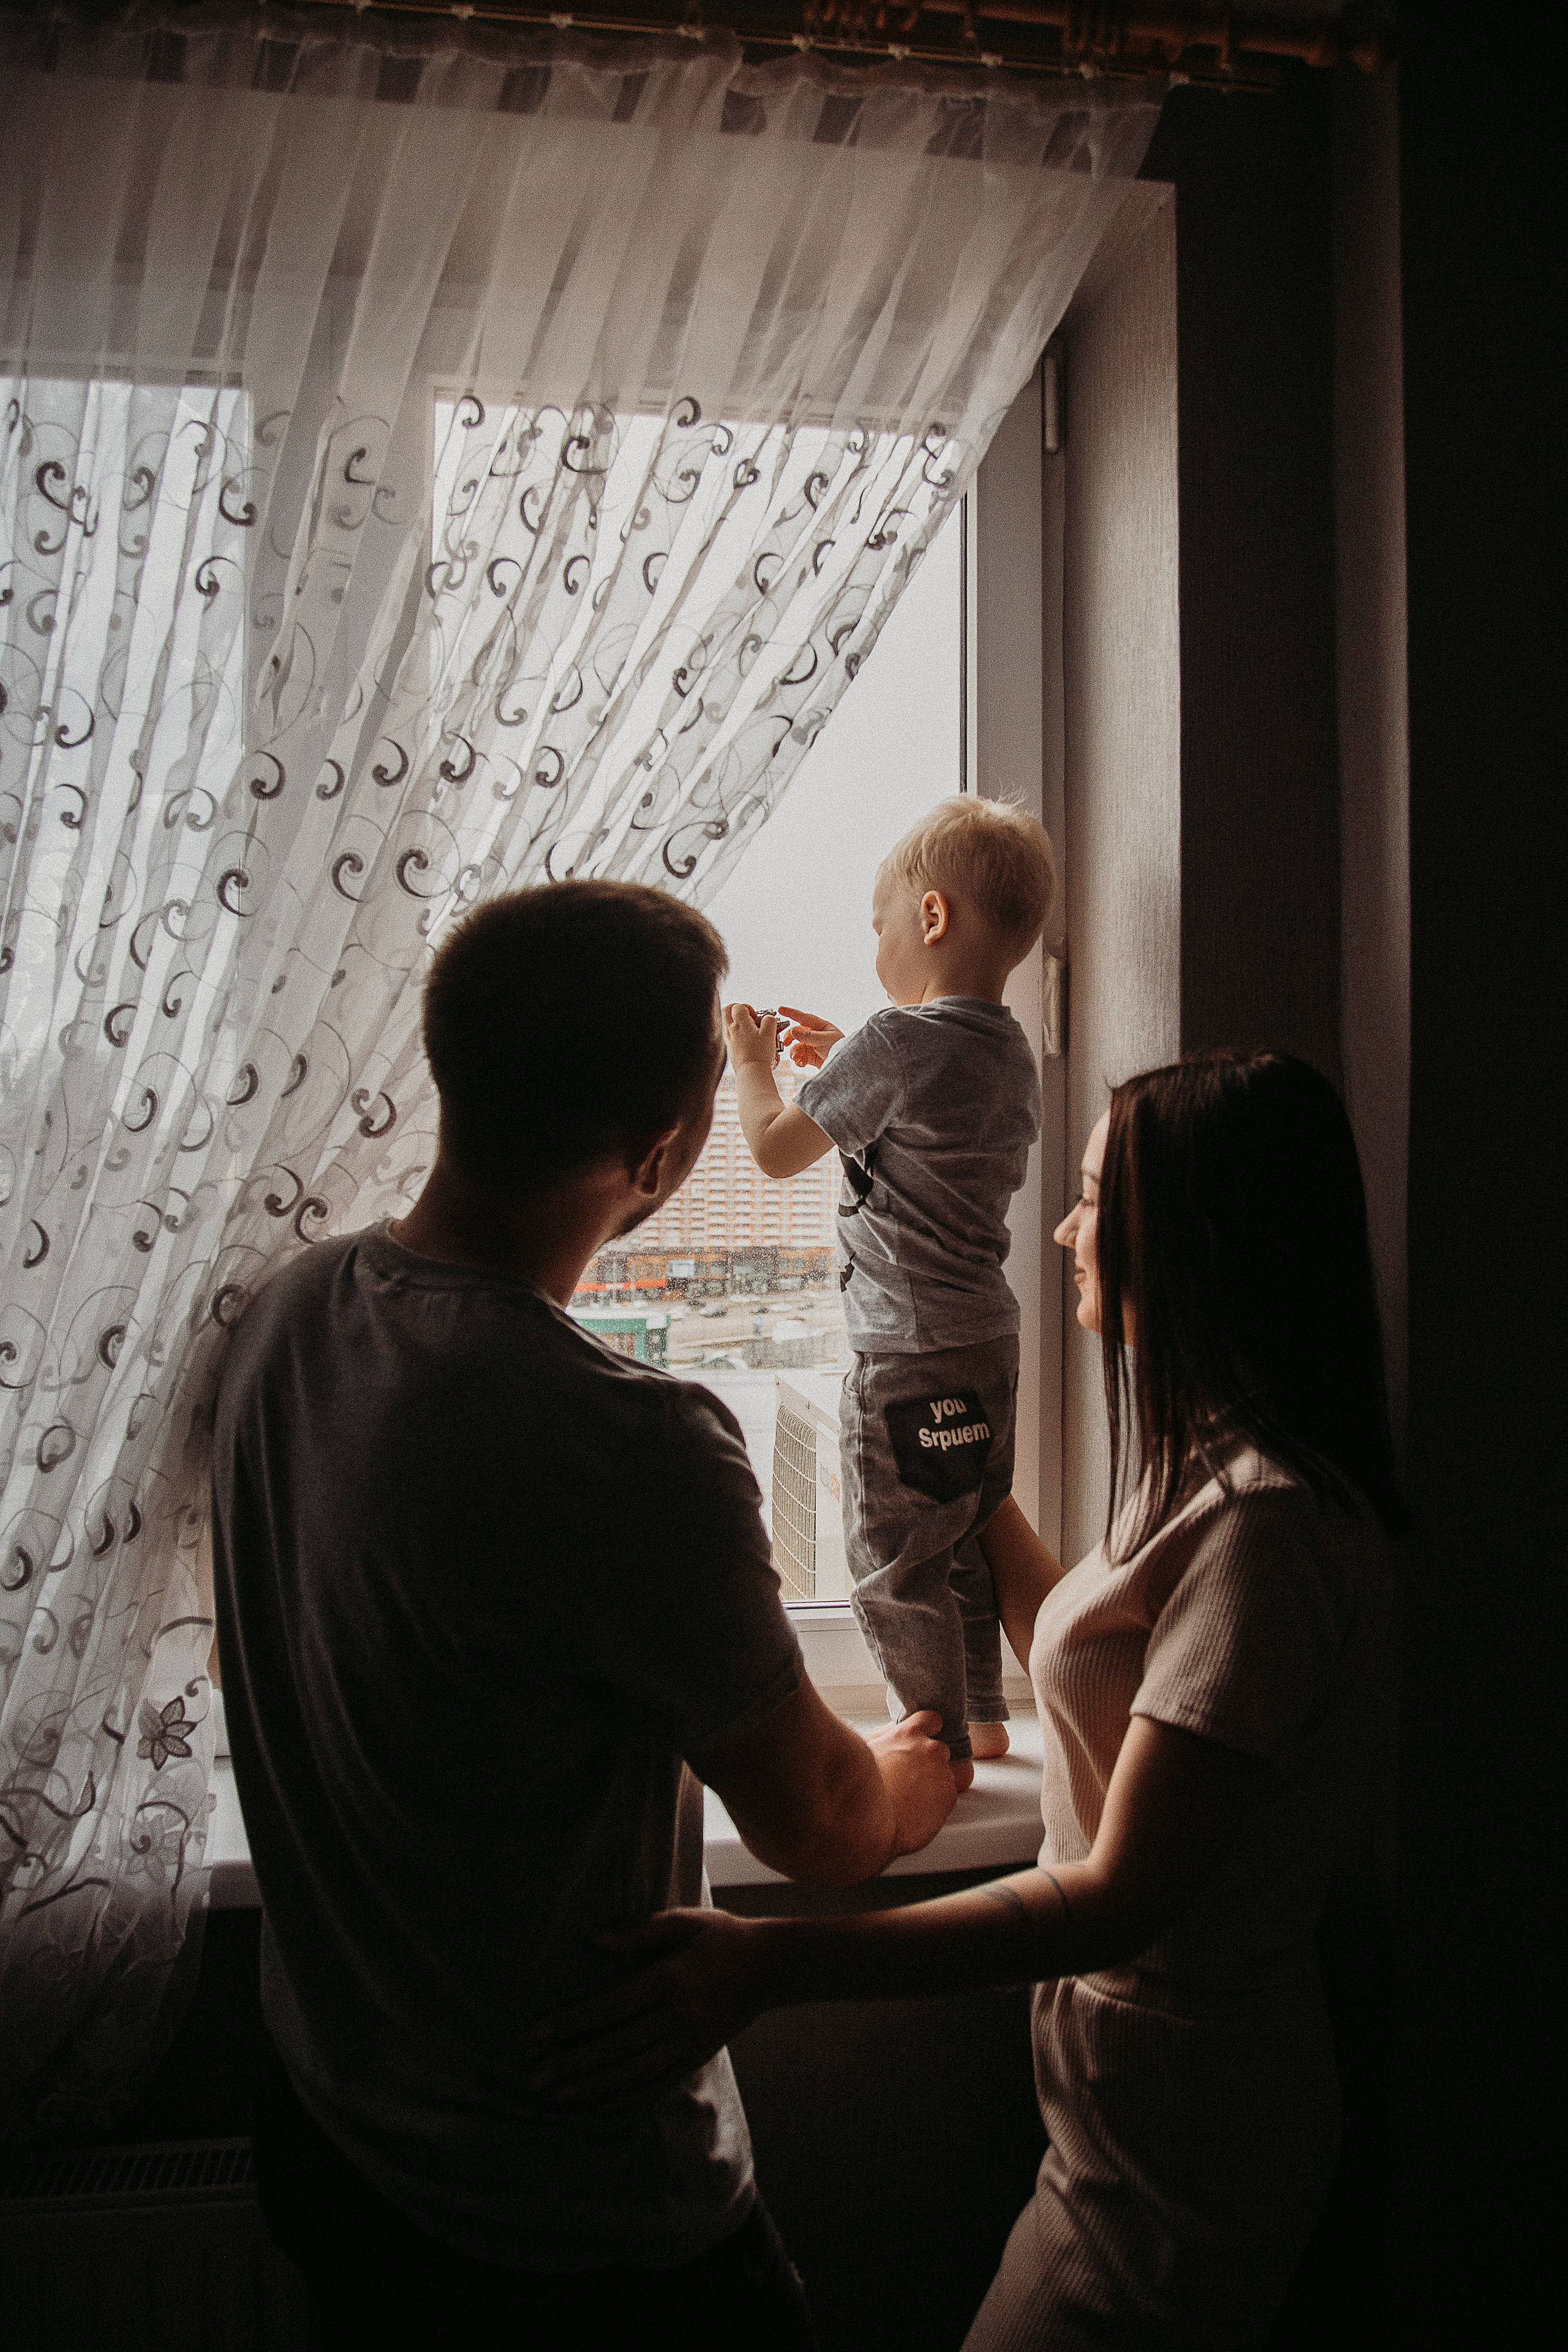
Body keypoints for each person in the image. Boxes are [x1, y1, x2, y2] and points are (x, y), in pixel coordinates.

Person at [529, 1050, 1404, 2351]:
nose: (1061, 1224)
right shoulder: (1205, 1473)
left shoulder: (1263, 1529)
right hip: (1125, 2114)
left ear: (1193, 1236)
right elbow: (1086, 1639)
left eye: (1095, 1195)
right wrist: (963, 1477)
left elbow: (1120, 1892)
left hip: (1194, 2138)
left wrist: (772, 1963)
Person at [209, 880, 957, 2347]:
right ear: (667, 1153)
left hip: (330, 2139)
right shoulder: (623, 1440)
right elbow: (813, 1821)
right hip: (563, 2225)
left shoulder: (287, 1318)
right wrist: (909, 1779)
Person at [725, 795, 1054, 1781]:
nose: (874, 949)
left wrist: (753, 1067)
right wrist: (841, 1061)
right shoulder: (1007, 1053)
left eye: (879, 925)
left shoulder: (894, 1041)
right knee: (956, 1529)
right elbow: (922, 1114)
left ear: (933, 917)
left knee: (895, 1555)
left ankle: (931, 1744)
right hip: (984, 1342)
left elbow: (777, 1150)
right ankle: (985, 1719)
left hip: (904, 1352)